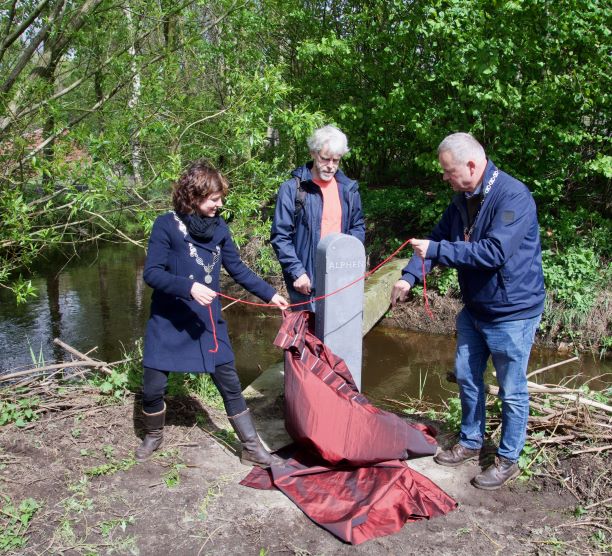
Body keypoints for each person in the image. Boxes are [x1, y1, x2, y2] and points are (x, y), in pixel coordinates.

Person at [391, 132, 545, 490]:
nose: (444, 177)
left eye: (448, 170)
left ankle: (508, 460)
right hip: (475, 308)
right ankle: (472, 440)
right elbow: (437, 238)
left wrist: (436, 251)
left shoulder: (513, 197)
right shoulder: (462, 198)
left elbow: (493, 253)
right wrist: (410, 277)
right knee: (466, 375)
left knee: (512, 388)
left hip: (513, 312)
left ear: (472, 166)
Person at [137, 161, 288, 467]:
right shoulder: (166, 225)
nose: (220, 204)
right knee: (153, 387)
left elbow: (238, 270)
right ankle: (153, 436)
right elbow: (151, 274)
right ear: (193, 197)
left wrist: (272, 295)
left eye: (221, 198)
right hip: (168, 319)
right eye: (214, 198)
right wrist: (188, 286)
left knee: (230, 383)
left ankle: (250, 448)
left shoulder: (220, 228)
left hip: (206, 322)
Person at [270, 125, 365, 310]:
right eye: (325, 159)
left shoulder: (348, 190)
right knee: (308, 337)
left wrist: (348, 260)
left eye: (336, 161)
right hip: (305, 281)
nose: (330, 166)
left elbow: (358, 226)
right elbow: (281, 236)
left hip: (340, 278)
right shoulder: (292, 189)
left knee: (337, 335)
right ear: (313, 153)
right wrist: (297, 272)